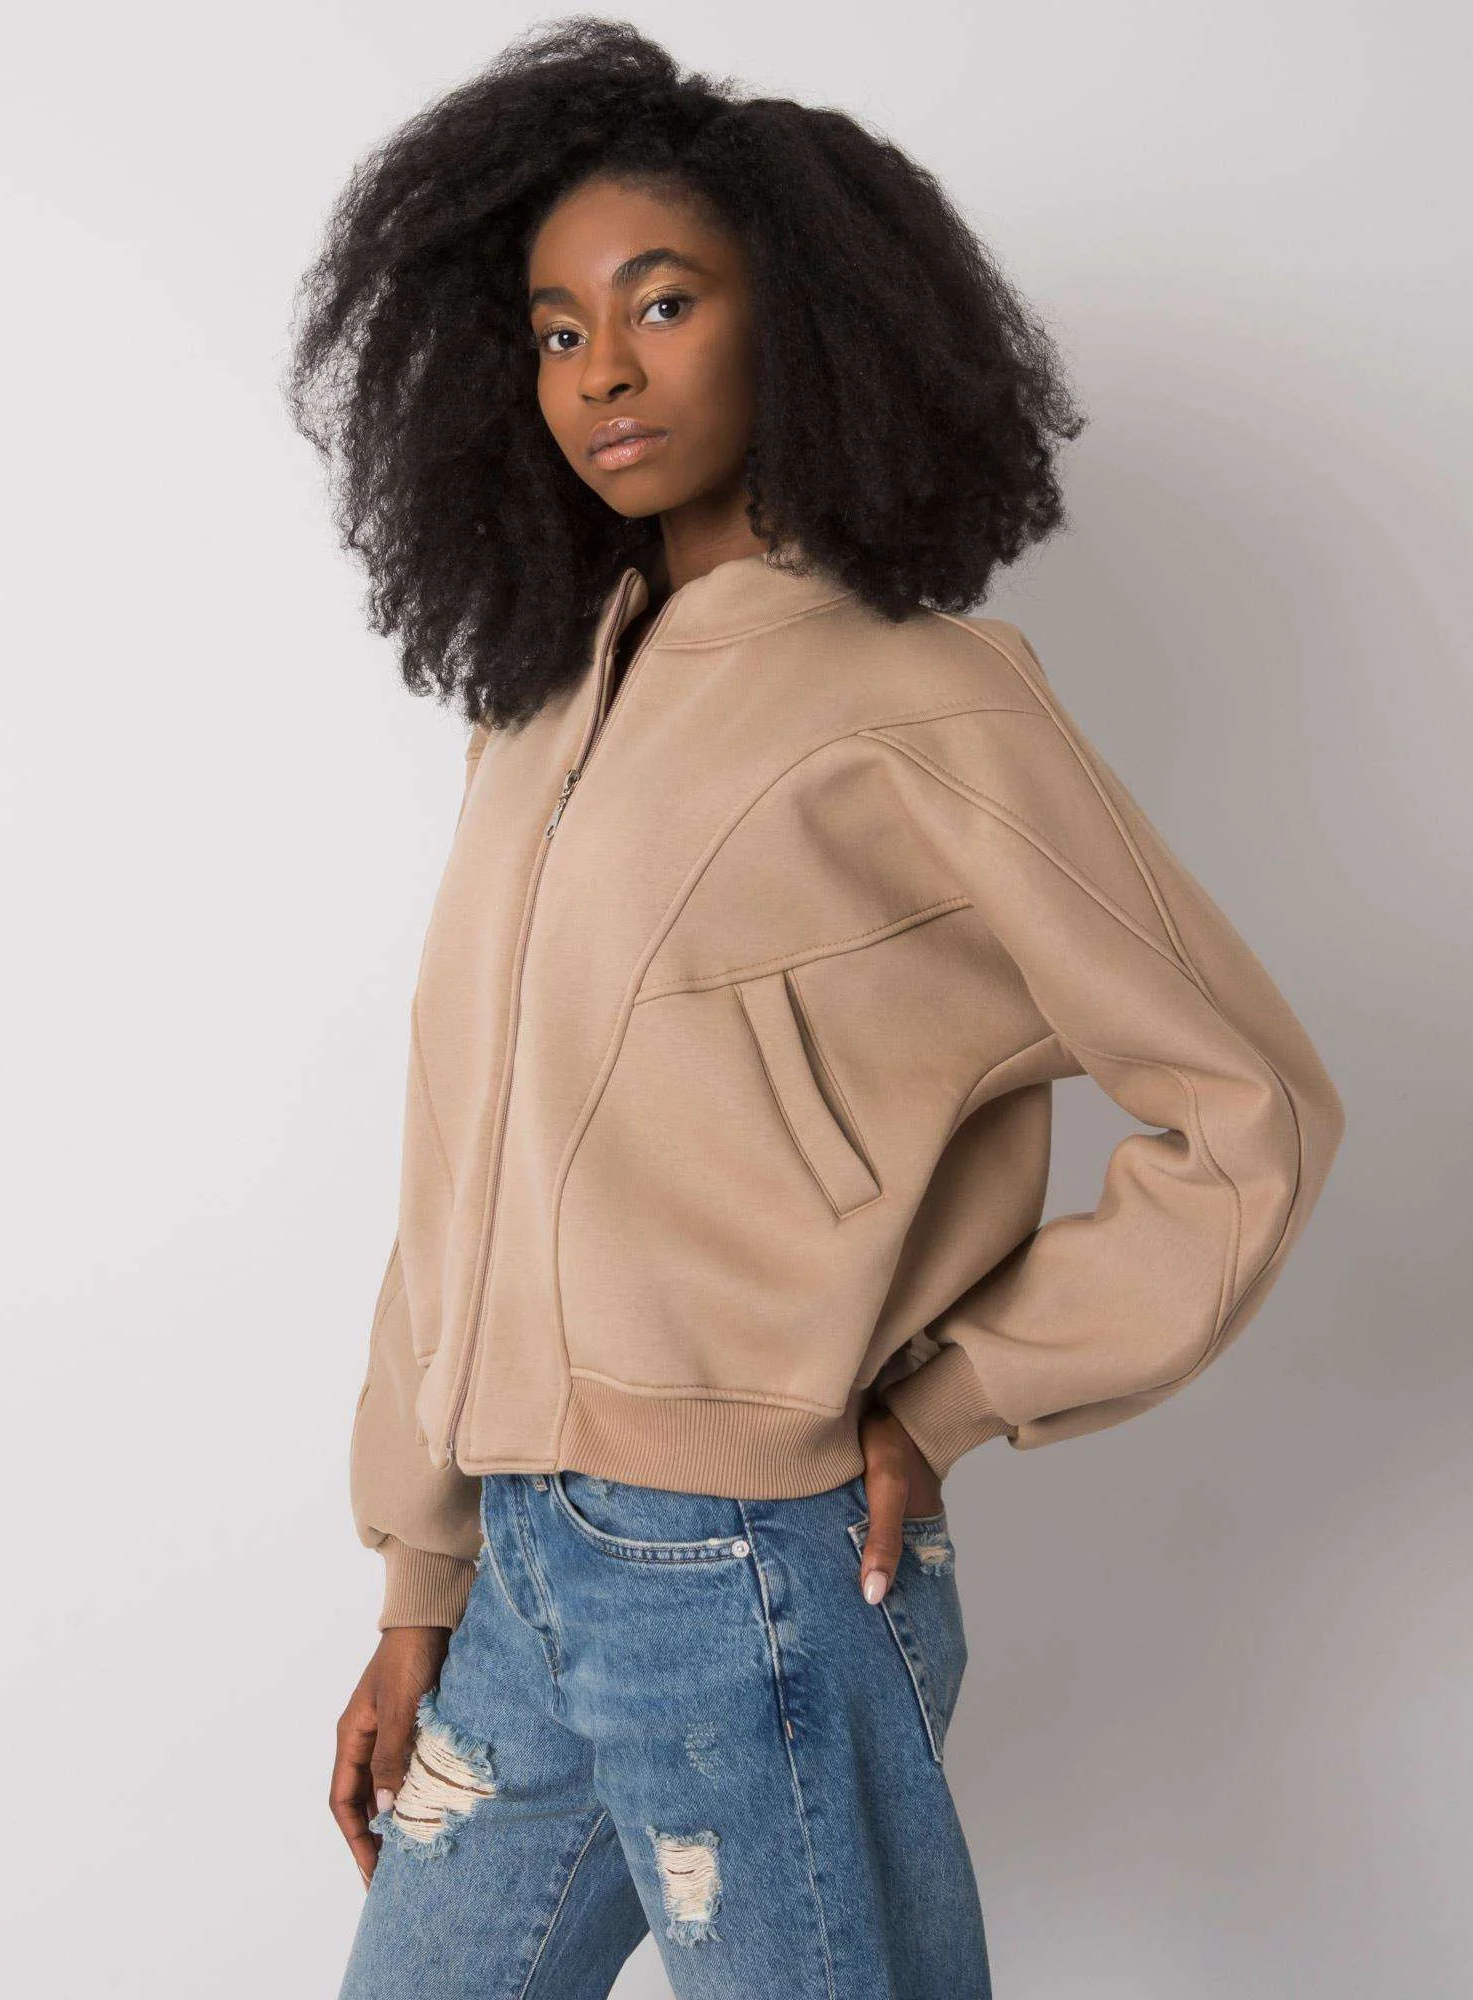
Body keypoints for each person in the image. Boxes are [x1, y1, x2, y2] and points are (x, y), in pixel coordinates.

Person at [285, 20, 1346, 1999]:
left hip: (751, 1579)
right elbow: (462, 1165)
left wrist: (953, 1395)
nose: (600, 369)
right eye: (554, 329)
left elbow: (1252, 1111)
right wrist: (419, 1580)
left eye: (662, 303)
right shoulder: (539, 705)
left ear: (803, 314)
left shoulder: (924, 703)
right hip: (521, 1570)